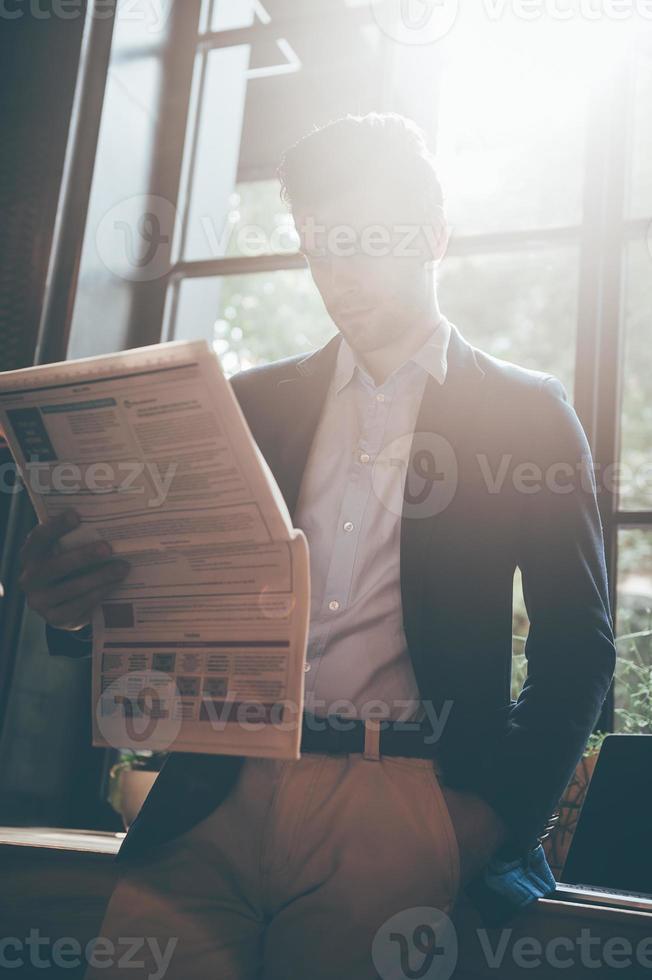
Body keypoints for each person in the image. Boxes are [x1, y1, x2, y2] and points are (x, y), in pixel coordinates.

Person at [20, 114, 616, 979]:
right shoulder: (247, 406)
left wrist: (488, 821)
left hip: (405, 803)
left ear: (434, 236)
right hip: (212, 795)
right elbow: (167, 598)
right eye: (320, 243)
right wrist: (74, 609)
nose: (339, 272)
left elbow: (580, 645)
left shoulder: (526, 415)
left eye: (367, 240)